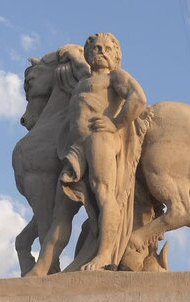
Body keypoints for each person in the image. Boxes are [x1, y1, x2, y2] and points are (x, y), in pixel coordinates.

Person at [59, 32, 148, 271]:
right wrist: (69, 53)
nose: (101, 52)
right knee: (83, 201)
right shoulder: (84, 80)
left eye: (107, 49)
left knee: (103, 192)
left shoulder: (115, 77)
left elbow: (138, 98)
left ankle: (105, 255)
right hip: (77, 147)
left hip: (101, 139)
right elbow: (78, 65)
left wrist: (116, 122)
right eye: (96, 48)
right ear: (88, 54)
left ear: (116, 56)